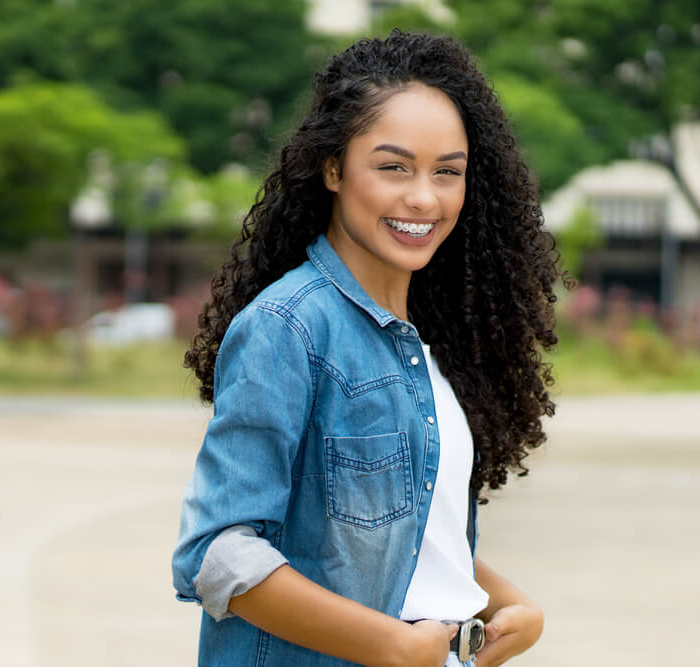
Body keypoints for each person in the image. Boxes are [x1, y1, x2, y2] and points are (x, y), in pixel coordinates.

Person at [173, 29, 564, 667]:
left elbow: (390, 527)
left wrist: (504, 601)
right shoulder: (287, 328)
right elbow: (219, 552)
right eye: (393, 167)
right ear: (333, 168)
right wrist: (392, 646)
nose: (423, 197)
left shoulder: (428, 348)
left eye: (448, 172)